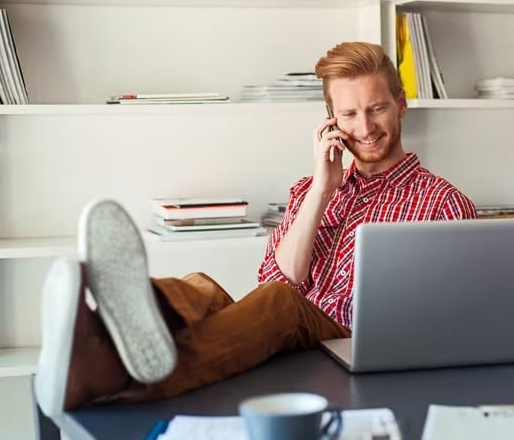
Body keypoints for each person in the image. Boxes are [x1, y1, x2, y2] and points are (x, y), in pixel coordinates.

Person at [34, 42, 477, 418]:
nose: (364, 128)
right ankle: (101, 338)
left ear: (400, 104)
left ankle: (111, 374)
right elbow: (276, 277)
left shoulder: (443, 203)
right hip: (286, 335)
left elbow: (454, 322)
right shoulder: (313, 188)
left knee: (279, 303)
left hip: (356, 351)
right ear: (331, 122)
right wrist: (322, 191)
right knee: (201, 286)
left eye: (377, 108)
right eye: (349, 114)